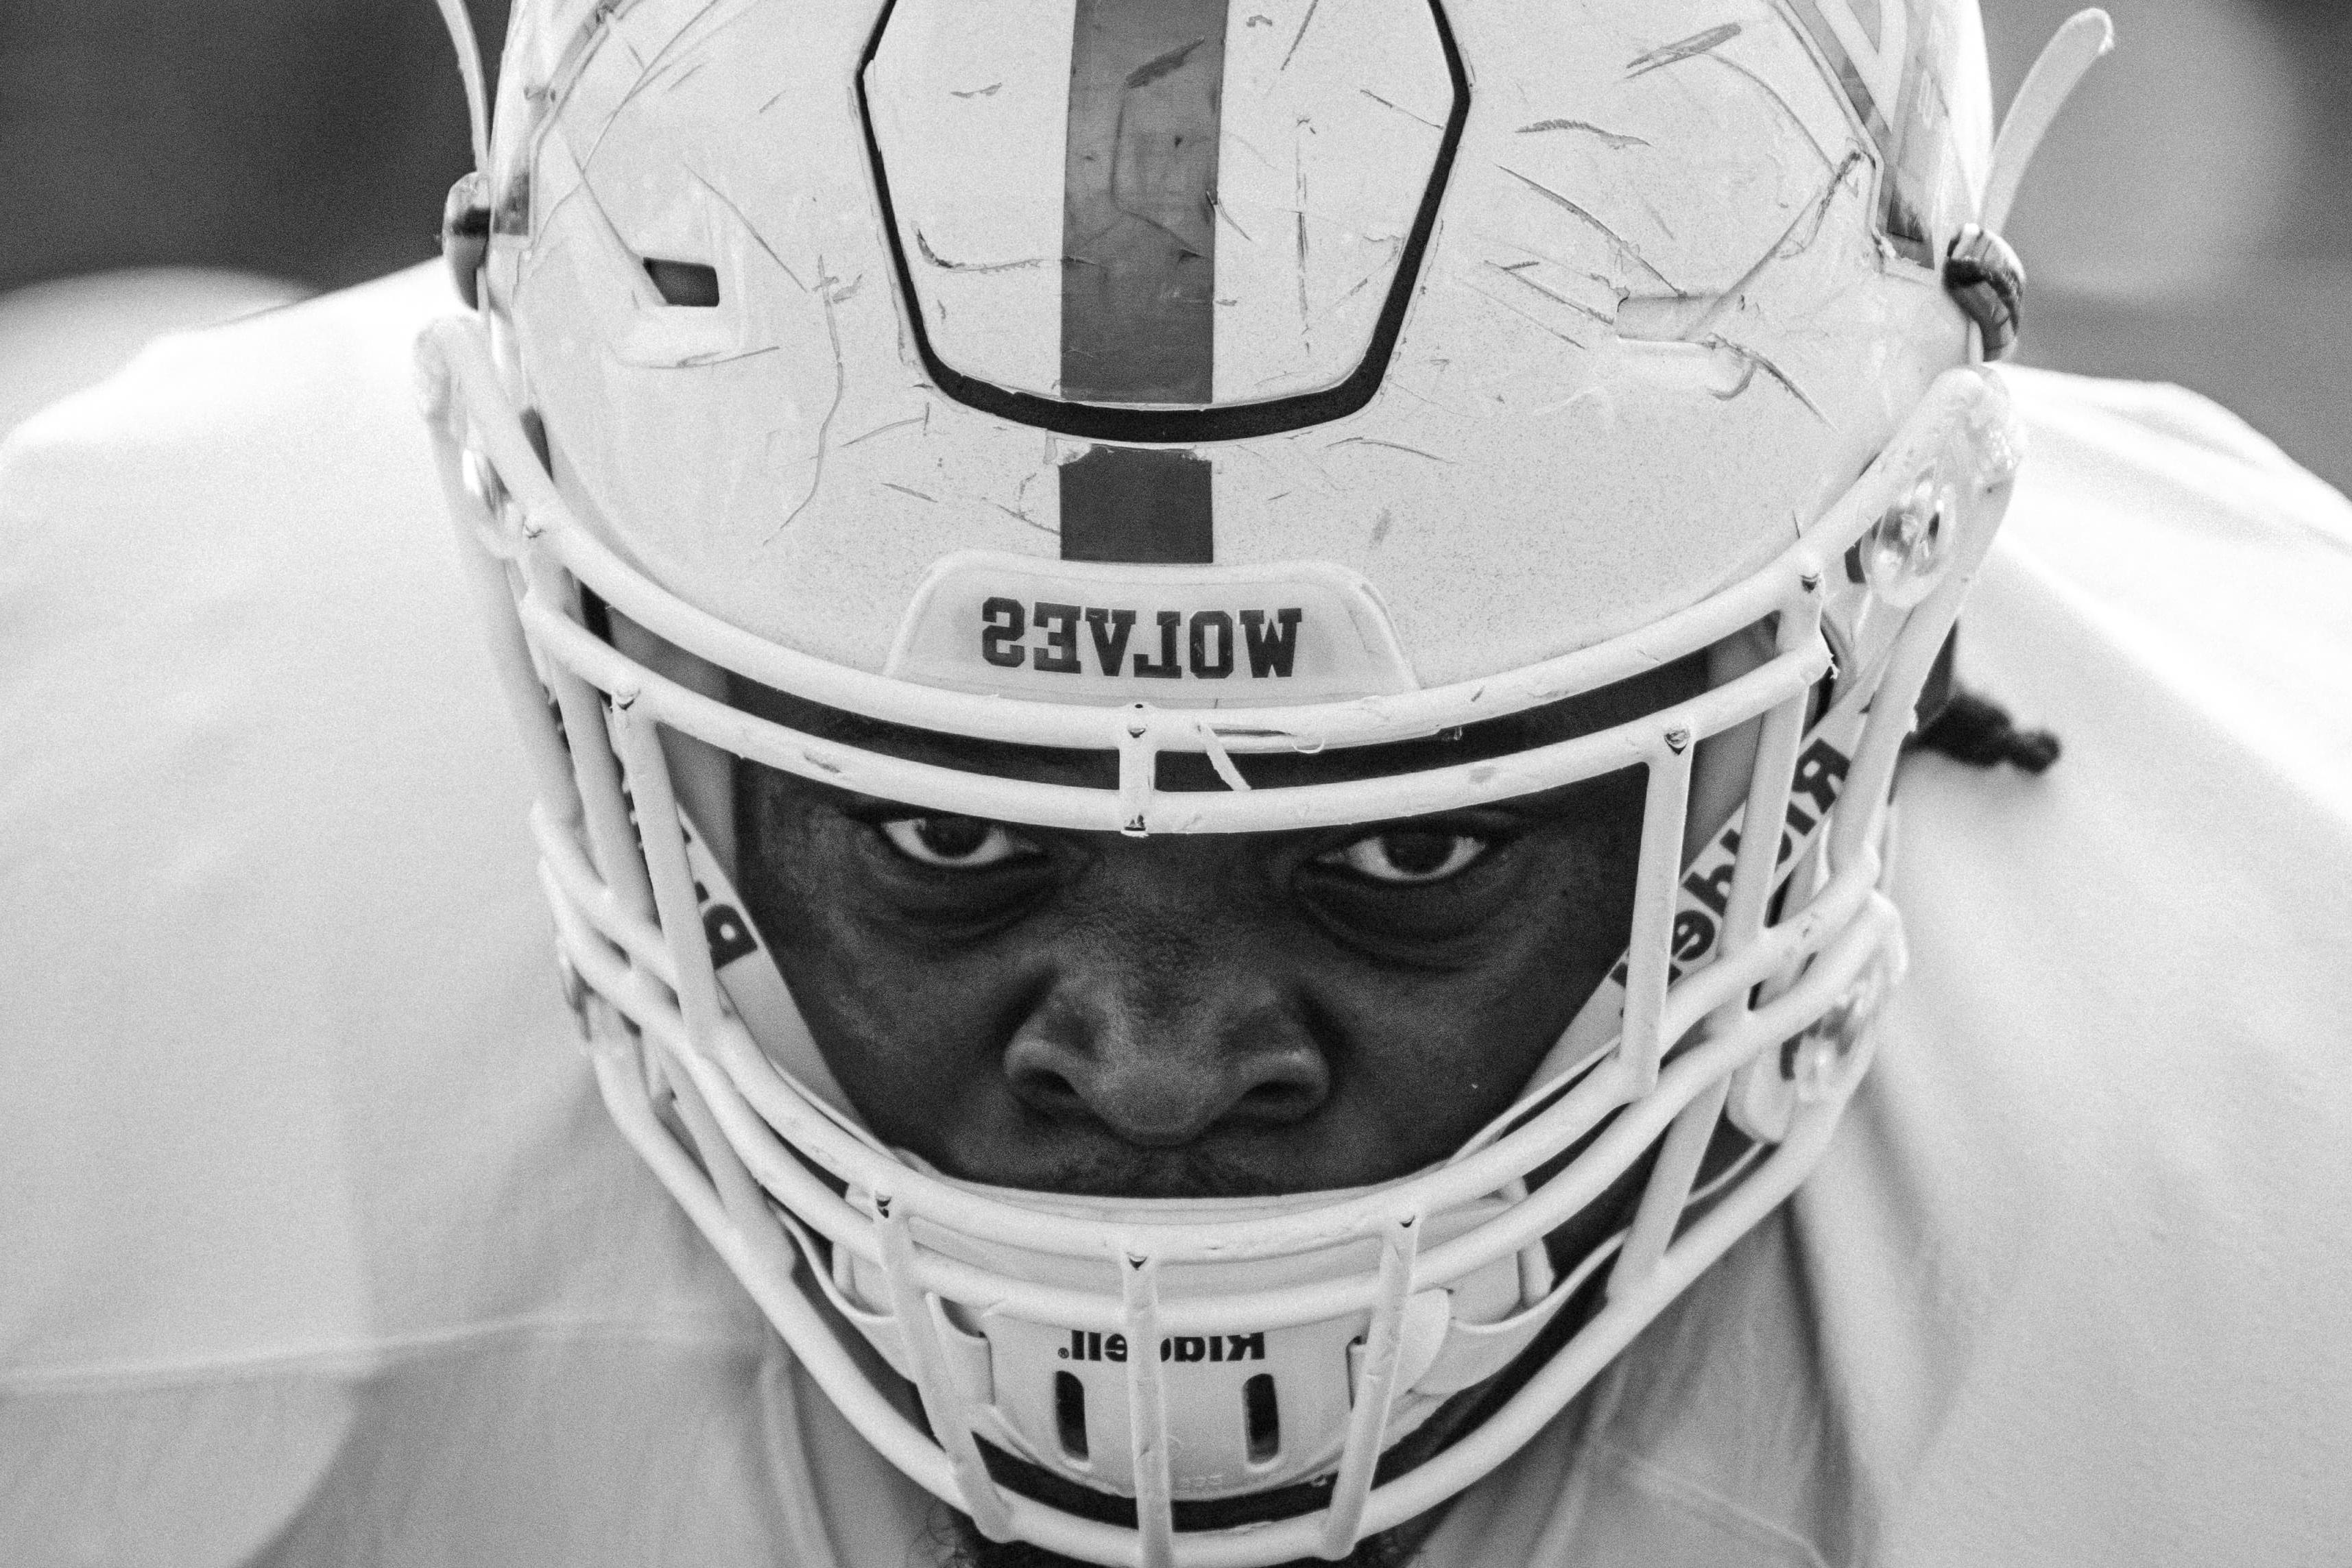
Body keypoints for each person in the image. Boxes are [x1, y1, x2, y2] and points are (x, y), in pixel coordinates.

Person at [4, 3, 2349, 1565]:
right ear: (574, 638)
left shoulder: (2264, 1166)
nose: (1143, 1064)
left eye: (1409, 848)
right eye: (942, 834)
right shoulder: (86, 927)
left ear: (1844, 678)